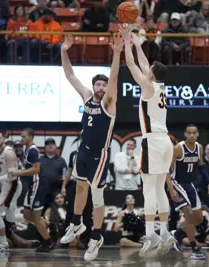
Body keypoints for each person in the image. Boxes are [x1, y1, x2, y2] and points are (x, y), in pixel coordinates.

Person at [59, 32, 123, 261]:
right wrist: (64, 51)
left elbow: (114, 77)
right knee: (79, 188)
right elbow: (70, 75)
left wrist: (116, 53)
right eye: (98, 84)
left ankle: (96, 237)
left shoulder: (109, 103)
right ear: (94, 86)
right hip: (83, 152)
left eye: (104, 85)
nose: (101, 87)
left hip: (100, 155)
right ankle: (76, 224)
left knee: (97, 196)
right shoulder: (87, 97)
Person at [120, 24, 175, 257]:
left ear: (152, 74)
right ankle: (165, 232)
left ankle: (151, 235)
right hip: (166, 142)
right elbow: (143, 63)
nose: (148, 67)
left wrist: (125, 42)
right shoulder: (160, 86)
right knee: (160, 188)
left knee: (149, 190)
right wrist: (135, 41)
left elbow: (133, 65)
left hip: (152, 141)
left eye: (150, 68)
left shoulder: (147, 86)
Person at [168, 124, 209, 260]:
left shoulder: (199, 148)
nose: (192, 135)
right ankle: (195, 248)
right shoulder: (178, 149)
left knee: (198, 219)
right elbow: (167, 170)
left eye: (194, 133)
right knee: (188, 213)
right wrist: (170, 188)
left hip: (189, 185)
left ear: (198, 134)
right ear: (185, 134)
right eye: (189, 133)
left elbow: (201, 166)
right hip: (177, 183)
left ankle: (177, 234)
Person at [10, 128, 55, 252]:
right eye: (21, 136)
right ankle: (51, 225)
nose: (22, 138)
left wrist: (19, 173)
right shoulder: (27, 150)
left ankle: (48, 242)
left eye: (24, 136)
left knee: (35, 218)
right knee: (26, 215)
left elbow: (36, 169)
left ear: (31, 137)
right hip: (32, 184)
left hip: (37, 184)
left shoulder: (33, 151)